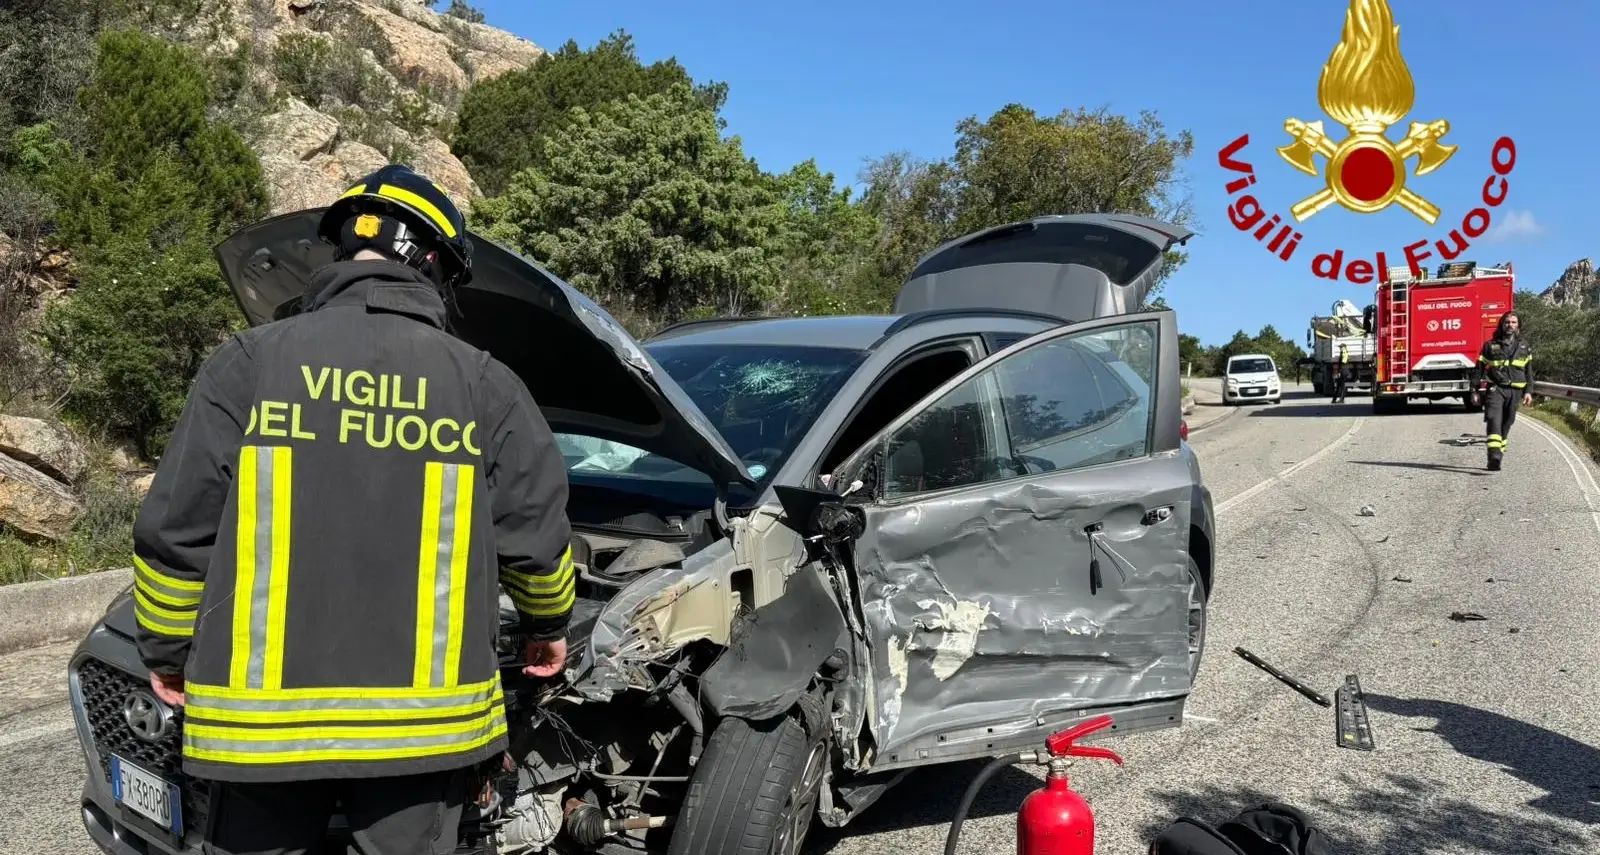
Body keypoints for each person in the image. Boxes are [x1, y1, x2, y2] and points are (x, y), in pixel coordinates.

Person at [130, 164, 577, 855]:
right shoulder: (486, 386)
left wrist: (166, 650)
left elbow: (175, 535)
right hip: (424, 738)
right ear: (433, 263)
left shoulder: (247, 364)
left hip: (261, 733)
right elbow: (536, 544)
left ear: (342, 253)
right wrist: (548, 624)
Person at [1478, 310, 1534, 471]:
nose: (1510, 325)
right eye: (1507, 322)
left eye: (1513, 322)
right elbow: (1479, 369)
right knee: (1494, 418)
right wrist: (1475, 390)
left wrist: (1529, 391)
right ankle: (1494, 454)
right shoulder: (1490, 345)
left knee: (1507, 422)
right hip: (1496, 388)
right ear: (1502, 325)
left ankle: (1498, 454)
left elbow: (1529, 371)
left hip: (1515, 391)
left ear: (1518, 326)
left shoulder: (1524, 346)